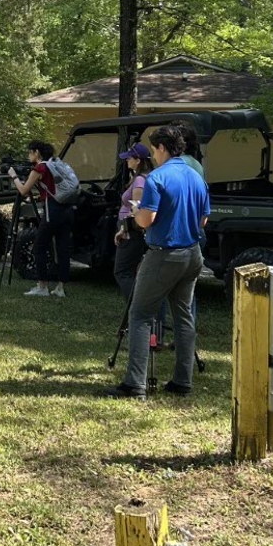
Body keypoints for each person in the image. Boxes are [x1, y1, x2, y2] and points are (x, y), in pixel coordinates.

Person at [107, 125, 209, 399]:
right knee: (184, 317)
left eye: (153, 149)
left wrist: (138, 213)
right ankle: (181, 380)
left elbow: (145, 221)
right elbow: (203, 220)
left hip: (164, 254)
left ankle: (134, 383)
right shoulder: (196, 175)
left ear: (162, 148)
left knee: (140, 315)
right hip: (193, 253)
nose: (153, 153)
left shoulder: (156, 178)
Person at [8, 141, 74, 298]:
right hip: (67, 208)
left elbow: (23, 190)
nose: (28, 156)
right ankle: (60, 287)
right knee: (63, 248)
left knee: (39, 246)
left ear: (36, 152)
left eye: (29, 152)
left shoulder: (40, 168)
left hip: (53, 211)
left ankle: (42, 286)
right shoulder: (56, 164)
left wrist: (14, 176)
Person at [112, 142, 151, 303]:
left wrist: (125, 229)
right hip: (132, 231)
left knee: (122, 271)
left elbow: (137, 208)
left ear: (138, 160)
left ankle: (136, 309)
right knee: (131, 271)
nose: (127, 160)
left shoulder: (140, 181)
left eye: (130, 157)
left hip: (131, 232)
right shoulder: (142, 178)